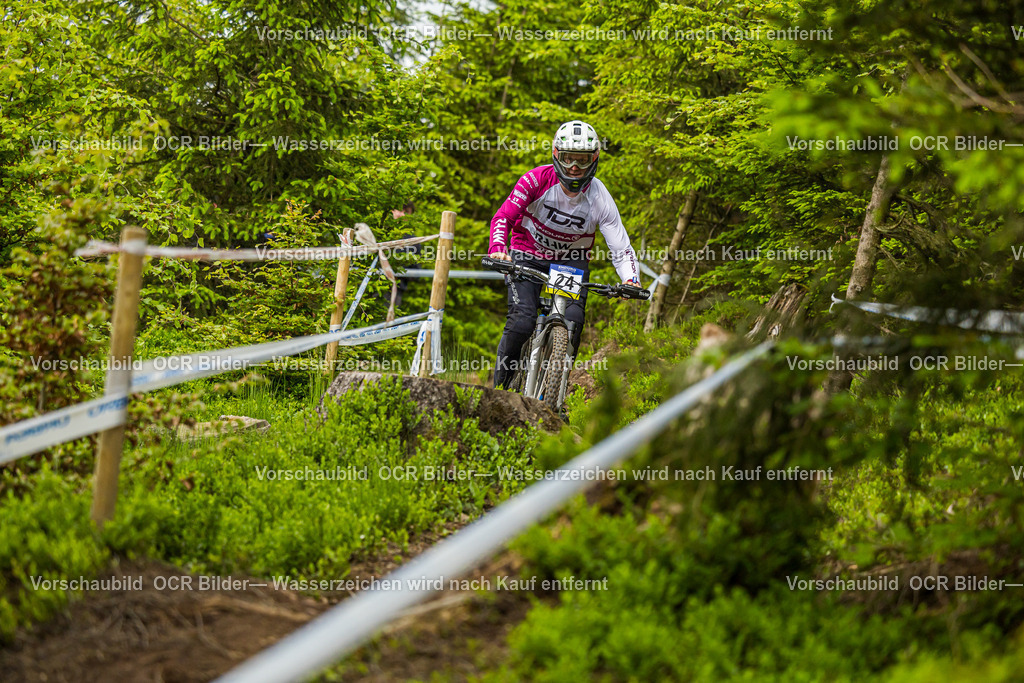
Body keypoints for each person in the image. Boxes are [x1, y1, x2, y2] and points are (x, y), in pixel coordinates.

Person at [488, 120, 641, 389]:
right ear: (557, 154)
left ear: (594, 158)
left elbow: (620, 247)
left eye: (582, 160)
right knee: (522, 321)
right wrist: (498, 248)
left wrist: (631, 279)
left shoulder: (600, 197)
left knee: (573, 322)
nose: (574, 167)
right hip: (527, 253)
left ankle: (556, 391)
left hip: (569, 261)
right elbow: (504, 217)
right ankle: (500, 389)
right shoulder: (535, 180)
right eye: (569, 158)